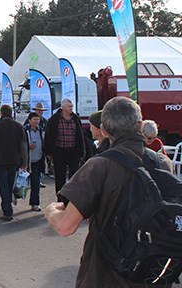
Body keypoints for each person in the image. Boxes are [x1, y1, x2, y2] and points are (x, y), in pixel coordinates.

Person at [44, 97, 174, 288]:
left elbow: (66, 226)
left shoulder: (98, 166)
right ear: (139, 125)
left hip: (105, 276)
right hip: (151, 273)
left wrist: (51, 210)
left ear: (104, 130)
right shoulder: (162, 162)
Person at [0, 104, 27, 221]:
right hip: (14, 161)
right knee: (10, 185)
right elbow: (23, 145)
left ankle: (7, 211)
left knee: (3, 186)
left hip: (0, 161)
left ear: (1, 113)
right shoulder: (19, 126)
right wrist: (25, 161)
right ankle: (9, 204)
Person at [44, 99, 85, 196]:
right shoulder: (54, 119)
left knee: (74, 177)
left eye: (71, 106)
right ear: (63, 107)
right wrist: (48, 152)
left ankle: (72, 199)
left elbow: (80, 136)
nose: (71, 108)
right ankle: (60, 199)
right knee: (59, 177)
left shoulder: (75, 119)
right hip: (59, 151)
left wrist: (82, 151)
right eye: (69, 106)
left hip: (73, 151)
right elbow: (48, 136)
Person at [23, 112, 45, 212]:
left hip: (37, 160)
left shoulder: (41, 131)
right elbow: (20, 144)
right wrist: (28, 146)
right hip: (26, 161)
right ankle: (12, 198)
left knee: (35, 183)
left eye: (37, 120)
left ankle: (35, 203)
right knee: (21, 183)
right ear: (29, 120)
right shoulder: (24, 130)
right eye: (34, 120)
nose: (36, 122)